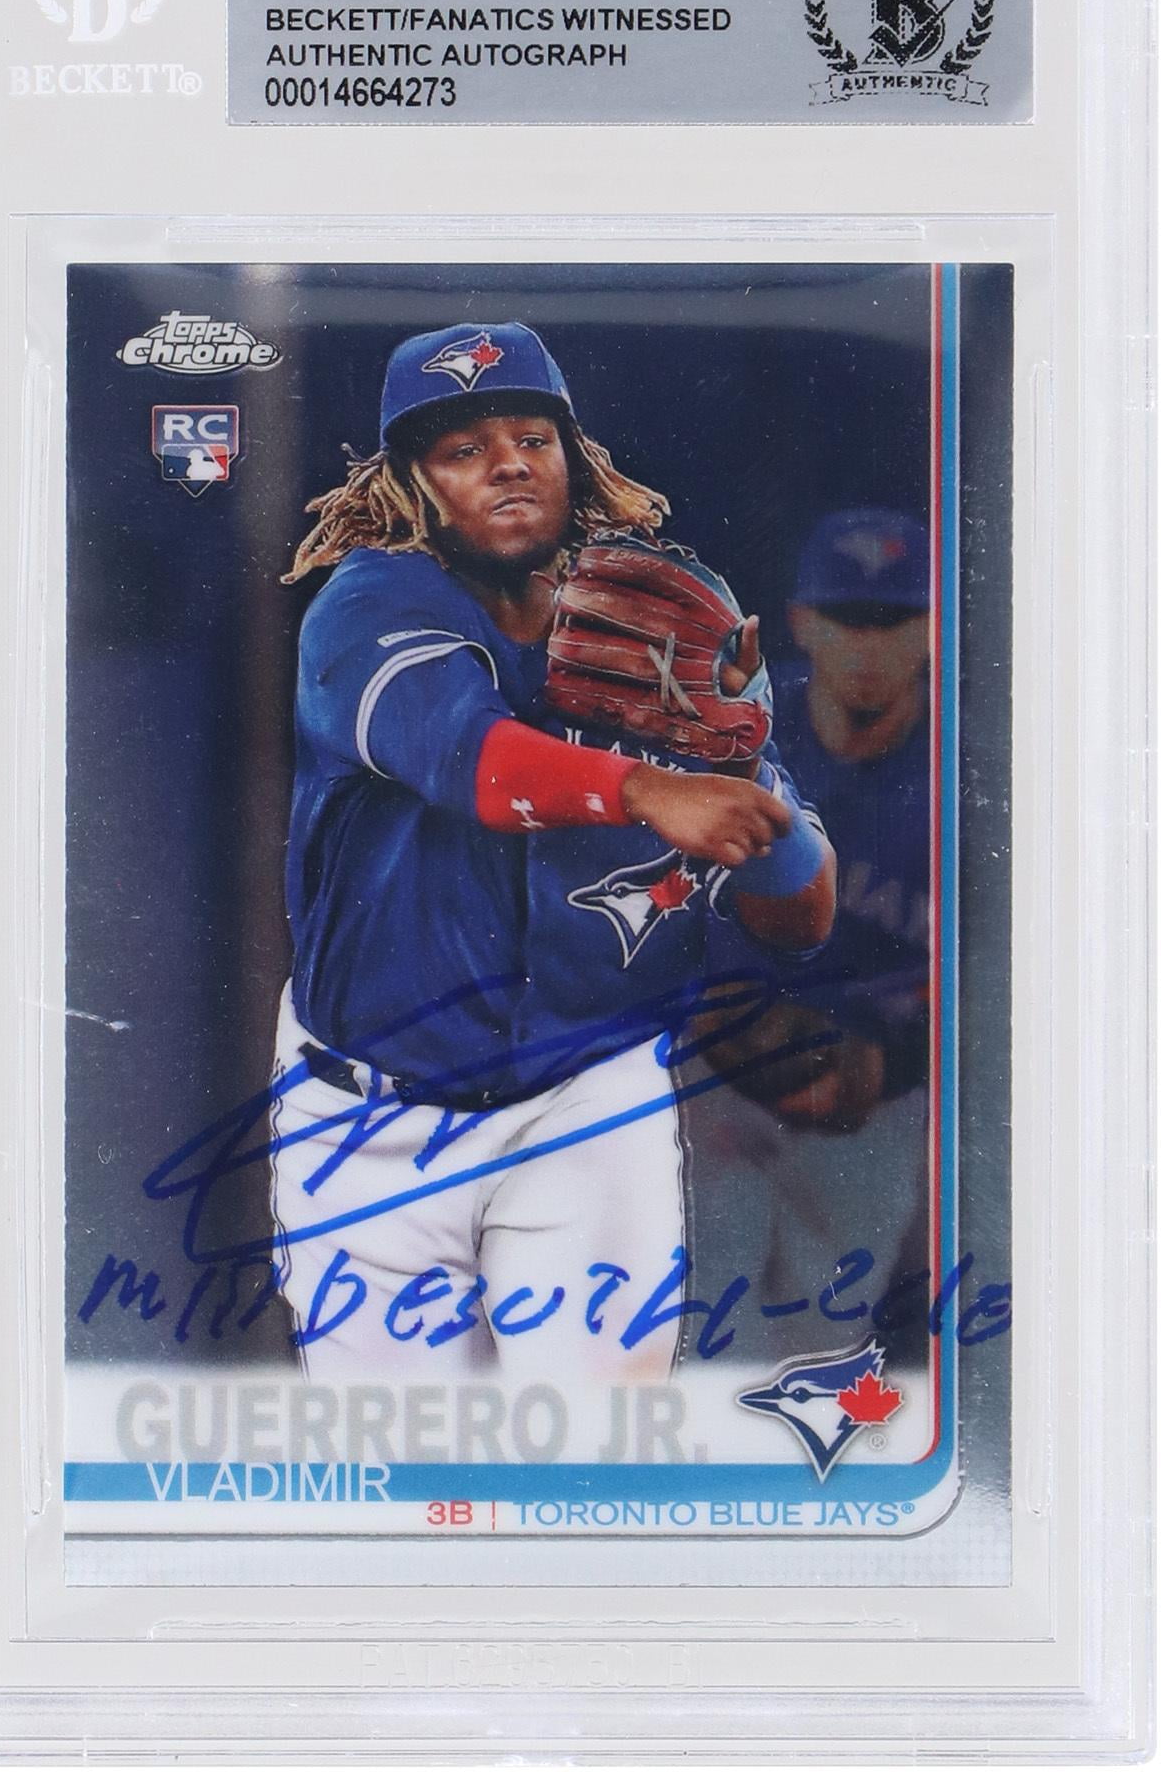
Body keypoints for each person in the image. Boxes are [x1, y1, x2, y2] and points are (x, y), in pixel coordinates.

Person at [269, 322, 835, 1380]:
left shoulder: (655, 633)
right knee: (400, 1470)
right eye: (464, 448)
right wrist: (649, 787)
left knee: (597, 1455)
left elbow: (800, 920)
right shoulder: (367, 606)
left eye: (532, 438)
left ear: (577, 461)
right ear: (409, 483)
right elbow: (471, 762)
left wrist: (745, 778)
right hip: (370, 1120)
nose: (509, 464)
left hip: (590, 1101)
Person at [686, 507, 931, 1364]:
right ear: (800, 623)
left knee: (821, 1352)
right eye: (845, 619)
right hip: (716, 1076)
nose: (868, 647)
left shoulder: (972, 767)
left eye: (894, 621)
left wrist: (897, 1060)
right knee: (696, 1330)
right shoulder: (740, 734)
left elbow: (1007, 977)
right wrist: (705, 1016)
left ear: (934, 628)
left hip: (879, 1091)